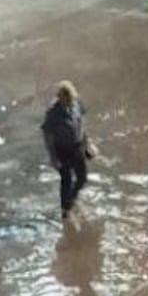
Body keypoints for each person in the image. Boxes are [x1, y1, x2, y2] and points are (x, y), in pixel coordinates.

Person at [41, 80, 92, 219]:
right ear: (60, 98)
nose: (69, 102)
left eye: (70, 99)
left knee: (82, 178)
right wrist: (52, 157)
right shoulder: (53, 112)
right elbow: (47, 134)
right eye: (66, 100)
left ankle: (72, 199)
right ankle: (65, 209)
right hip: (61, 149)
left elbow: (82, 123)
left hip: (77, 145)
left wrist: (88, 144)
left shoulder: (77, 104)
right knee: (66, 179)